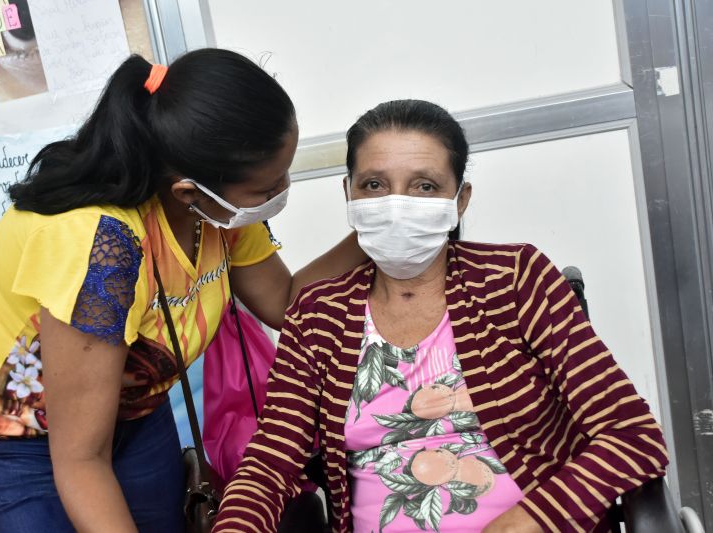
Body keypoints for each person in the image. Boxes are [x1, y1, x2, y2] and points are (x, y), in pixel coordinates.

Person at [0, 49, 367, 533]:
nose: (281, 191)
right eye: (266, 189)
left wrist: (375, 228)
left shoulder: (217, 211)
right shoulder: (101, 248)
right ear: (187, 190)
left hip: (131, 419)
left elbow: (286, 304)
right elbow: (81, 460)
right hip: (10, 437)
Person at [213, 100, 669, 533]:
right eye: (374, 184)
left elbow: (631, 435)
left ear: (460, 199)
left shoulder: (516, 280)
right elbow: (270, 463)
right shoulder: (317, 314)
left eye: (424, 185)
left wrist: (529, 520)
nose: (396, 204)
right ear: (348, 194)